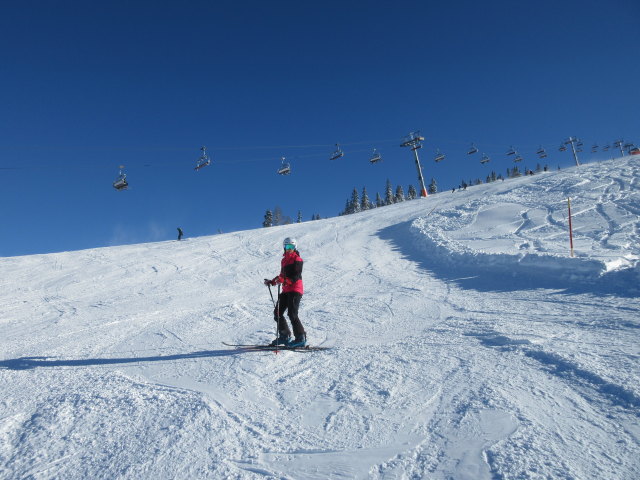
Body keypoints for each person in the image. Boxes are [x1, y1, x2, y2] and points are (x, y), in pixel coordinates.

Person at [264, 237, 306, 347]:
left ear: (295, 247)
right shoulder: (284, 260)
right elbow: (282, 275)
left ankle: (301, 338)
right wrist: (272, 282)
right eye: (287, 247)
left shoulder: (298, 259)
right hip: (286, 289)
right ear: (284, 247)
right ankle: (285, 336)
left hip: (295, 289)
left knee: (292, 314)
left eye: (291, 247)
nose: (289, 249)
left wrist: (286, 280)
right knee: (277, 313)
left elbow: (297, 275)